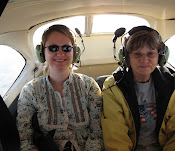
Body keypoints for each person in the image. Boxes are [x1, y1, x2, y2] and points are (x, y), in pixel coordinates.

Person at [17, 24, 103, 151]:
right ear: (42, 53)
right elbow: (26, 141)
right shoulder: (30, 91)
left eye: (66, 48)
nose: (60, 53)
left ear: (75, 52)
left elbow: (96, 135)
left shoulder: (89, 86)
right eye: (53, 48)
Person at [101, 26, 175, 151]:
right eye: (137, 54)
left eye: (150, 53)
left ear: (160, 56)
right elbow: (116, 140)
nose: (144, 60)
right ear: (126, 57)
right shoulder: (113, 87)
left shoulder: (172, 84)